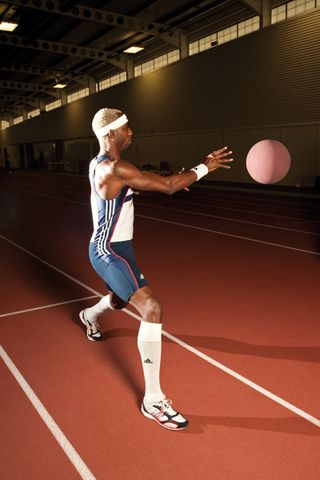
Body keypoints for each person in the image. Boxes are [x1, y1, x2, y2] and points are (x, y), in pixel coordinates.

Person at [79, 107, 233, 430]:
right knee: (152, 308)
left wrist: (168, 180)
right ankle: (153, 400)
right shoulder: (113, 168)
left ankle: (90, 315)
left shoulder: (102, 164)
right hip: (107, 251)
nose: (131, 132)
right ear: (111, 135)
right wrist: (203, 167)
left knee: (122, 300)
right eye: (126, 128)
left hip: (121, 248)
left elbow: (135, 189)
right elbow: (168, 187)